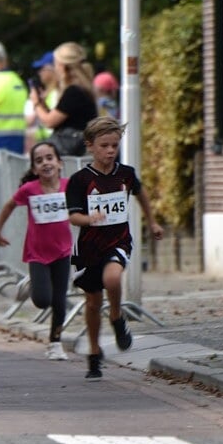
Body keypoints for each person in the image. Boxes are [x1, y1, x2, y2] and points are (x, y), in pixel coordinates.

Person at [66, 117, 163, 380]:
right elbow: (73, 217)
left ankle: (118, 316)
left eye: (114, 145)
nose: (110, 151)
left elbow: (140, 193)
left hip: (118, 240)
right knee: (93, 302)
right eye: (104, 146)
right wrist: (90, 219)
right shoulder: (79, 180)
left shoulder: (126, 174)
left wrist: (152, 222)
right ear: (90, 146)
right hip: (89, 247)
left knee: (112, 277)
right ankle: (94, 354)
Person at [0, 141, 73, 360]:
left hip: (63, 251)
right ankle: (34, 284)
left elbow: (83, 206)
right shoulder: (30, 189)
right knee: (42, 300)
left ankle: (56, 343)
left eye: (49, 158)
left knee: (59, 300)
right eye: (39, 161)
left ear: (59, 163)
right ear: (34, 168)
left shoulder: (69, 186)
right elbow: (9, 206)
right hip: (37, 253)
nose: (45, 163)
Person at [30, 42, 98, 157]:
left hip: (74, 153)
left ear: (62, 66)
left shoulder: (74, 91)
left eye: (55, 64)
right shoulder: (83, 88)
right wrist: (42, 104)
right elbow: (59, 117)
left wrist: (36, 102)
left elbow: (49, 121)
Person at [24, 51, 59, 150]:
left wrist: (36, 103)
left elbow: (50, 121)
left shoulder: (57, 93)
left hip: (55, 144)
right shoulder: (48, 93)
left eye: (42, 69)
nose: (39, 73)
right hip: (47, 142)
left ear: (52, 69)